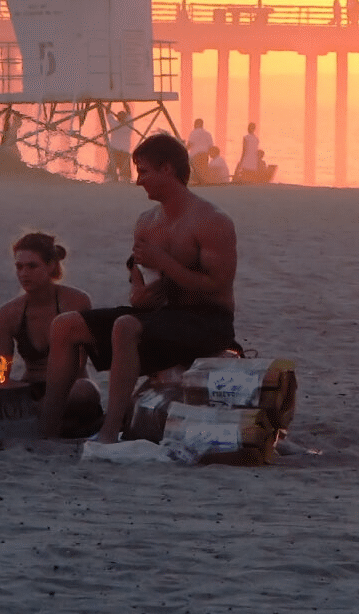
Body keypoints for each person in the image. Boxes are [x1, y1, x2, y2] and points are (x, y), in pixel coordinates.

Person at [39, 134, 239, 441]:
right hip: (162, 317)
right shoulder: (146, 222)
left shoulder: (211, 221)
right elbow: (138, 285)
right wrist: (140, 296)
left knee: (125, 326)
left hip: (208, 321)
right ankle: (46, 429)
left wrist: (167, 263)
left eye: (144, 171)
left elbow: (217, 286)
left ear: (168, 169)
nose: (138, 181)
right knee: (65, 325)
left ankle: (110, 431)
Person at [0, 232, 99, 434]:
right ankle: (40, 415)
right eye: (19, 267)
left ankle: (39, 416)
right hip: (31, 388)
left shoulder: (75, 302)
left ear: (50, 266)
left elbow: (82, 360)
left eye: (32, 266)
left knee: (85, 390)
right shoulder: (8, 314)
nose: (24, 274)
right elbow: (0, 375)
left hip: (71, 389)